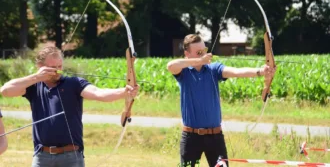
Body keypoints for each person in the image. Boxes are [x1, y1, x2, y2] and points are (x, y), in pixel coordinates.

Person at [0, 46, 139, 167]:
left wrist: (124, 92)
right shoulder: (33, 86)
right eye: (52, 67)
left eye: (59, 66)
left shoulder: (74, 83)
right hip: (42, 156)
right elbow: (5, 91)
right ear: (40, 67)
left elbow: (99, 94)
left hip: (71, 156)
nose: (57, 70)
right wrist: (36, 77)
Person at [166, 34, 276, 167]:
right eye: (198, 52)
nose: (203, 55)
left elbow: (236, 72)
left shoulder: (213, 69)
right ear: (187, 54)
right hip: (191, 136)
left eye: (204, 51)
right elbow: (171, 65)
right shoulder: (184, 72)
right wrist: (199, 61)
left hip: (215, 136)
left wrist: (260, 71)